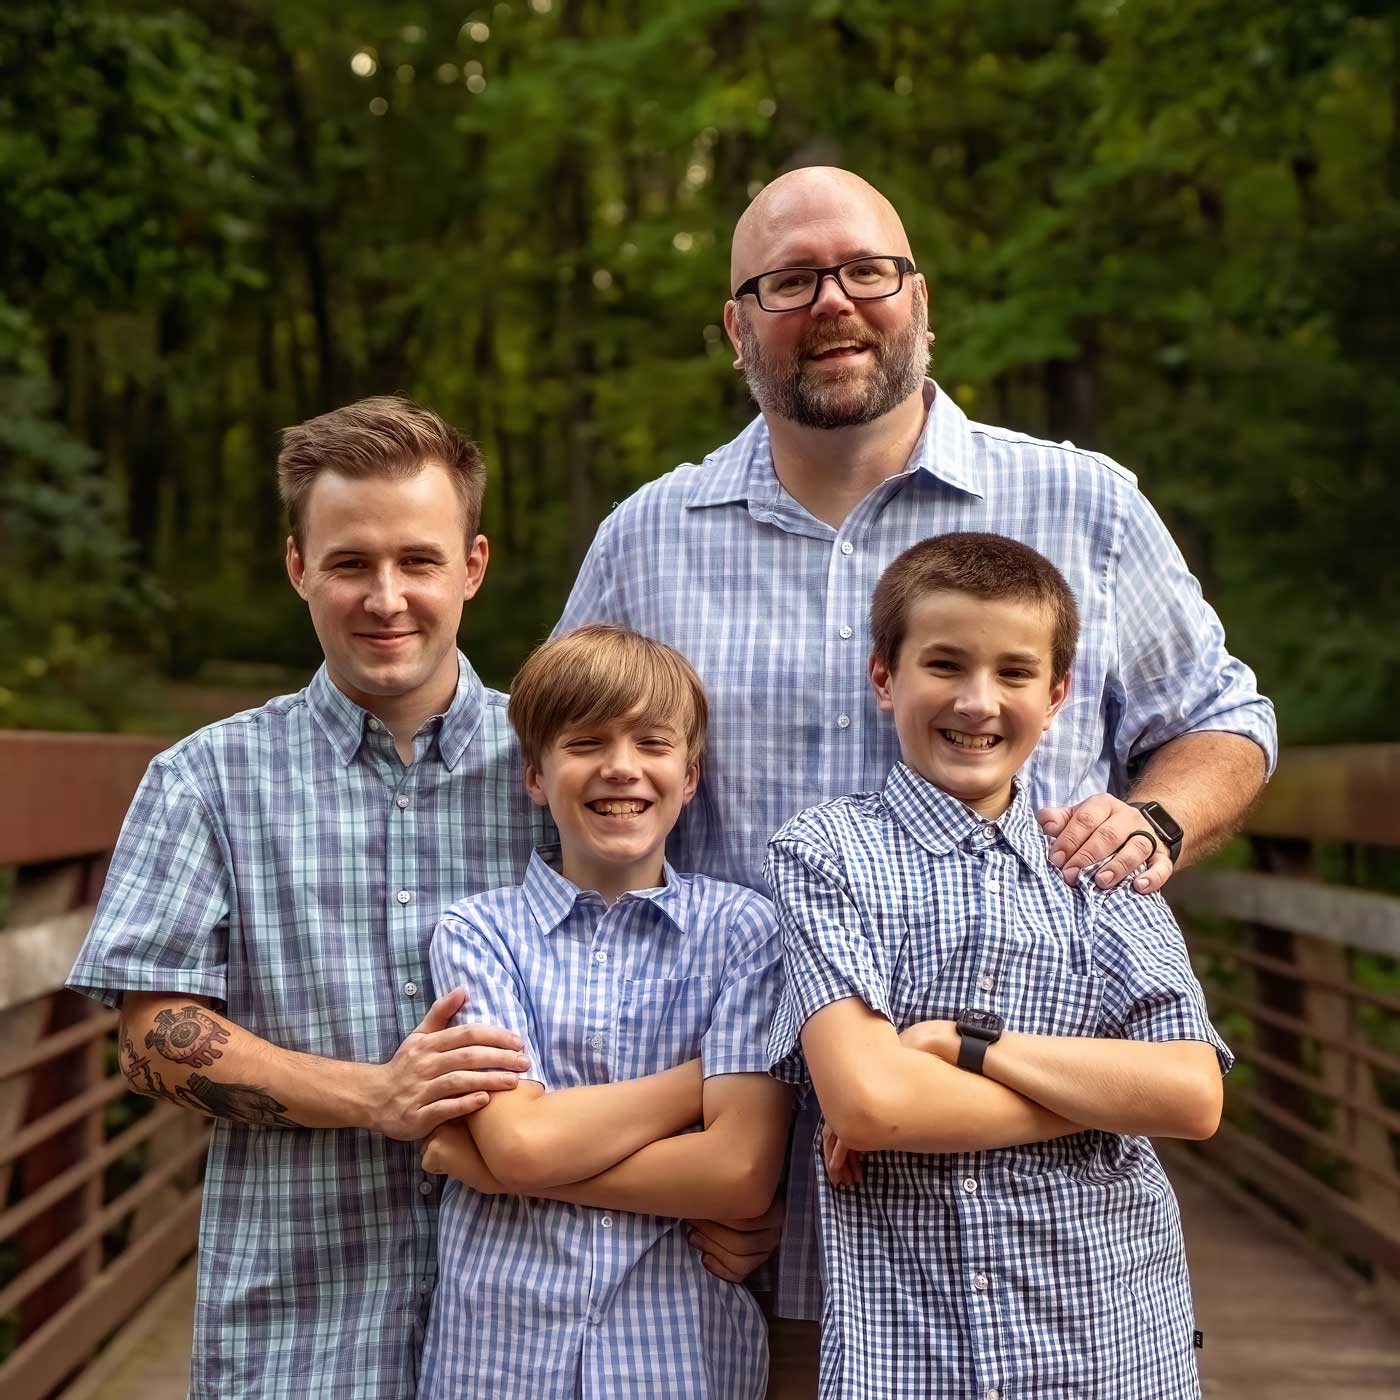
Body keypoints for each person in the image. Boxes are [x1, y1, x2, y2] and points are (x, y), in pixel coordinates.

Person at [555, 165, 1275, 1388]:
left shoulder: (1081, 502)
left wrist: (1151, 819)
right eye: (787, 281)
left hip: (1048, 1222)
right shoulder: (646, 538)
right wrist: (641, 1140)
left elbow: (1222, 721)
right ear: (736, 326)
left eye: (865, 271)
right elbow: (575, 818)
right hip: (742, 1198)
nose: (832, 301)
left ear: (918, 299)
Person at [67, 397, 545, 1398]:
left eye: (417, 559)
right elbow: (153, 1035)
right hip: (297, 1338)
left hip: (532, 1329)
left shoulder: (561, 770)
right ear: (297, 568)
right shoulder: (206, 779)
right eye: (348, 562)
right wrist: (377, 1095)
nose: (385, 596)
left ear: (472, 565)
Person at [767, 532, 1229, 1398]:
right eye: (944, 665)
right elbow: (871, 1104)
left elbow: (1193, 1093)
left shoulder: (1103, 866)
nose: (978, 703)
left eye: (1015, 674)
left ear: (1056, 697)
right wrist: (1101, 1102)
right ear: (883, 678)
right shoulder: (826, 853)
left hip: (1109, 1340)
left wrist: (959, 1042)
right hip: (909, 1349)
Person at [418, 624, 791, 1398]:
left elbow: (740, 1174)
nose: (621, 768)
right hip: (500, 1355)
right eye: (586, 742)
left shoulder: (744, 931)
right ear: (534, 773)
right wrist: (702, 1082)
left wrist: (497, 1164)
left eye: (653, 744)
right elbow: (520, 1145)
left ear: (689, 777)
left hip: (682, 1359)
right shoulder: (480, 933)